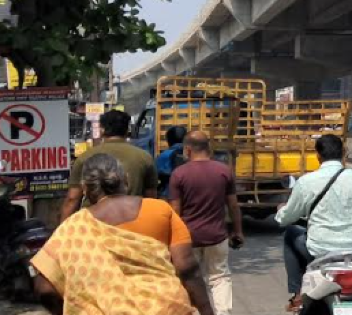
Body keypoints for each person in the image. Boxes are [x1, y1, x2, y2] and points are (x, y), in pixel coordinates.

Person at [32, 154, 215, 315]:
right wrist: (206, 310)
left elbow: (44, 288)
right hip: (166, 307)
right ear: (125, 180)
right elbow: (187, 268)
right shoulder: (160, 210)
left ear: (85, 189)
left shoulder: (72, 228)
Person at [274, 134, 352, 312]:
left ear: (317, 155)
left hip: (320, 251)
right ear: (344, 153)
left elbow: (286, 218)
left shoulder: (306, 182)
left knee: (291, 233)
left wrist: (280, 211)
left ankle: (296, 294)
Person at [170, 130, 244, 315]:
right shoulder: (223, 171)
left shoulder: (179, 174)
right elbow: (233, 206)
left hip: (187, 239)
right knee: (219, 277)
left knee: (188, 278)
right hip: (217, 237)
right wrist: (238, 231)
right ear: (208, 147)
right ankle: (223, 312)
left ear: (187, 150)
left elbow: (175, 213)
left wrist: (170, 241)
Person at [62, 109, 158, 221]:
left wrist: (62, 232)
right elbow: (151, 198)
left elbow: (72, 199)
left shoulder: (85, 157)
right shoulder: (144, 157)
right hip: (130, 222)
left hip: (94, 224)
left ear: (102, 130)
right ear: (127, 130)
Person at [157, 125, 188, 199]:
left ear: (169, 140)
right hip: (189, 194)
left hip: (168, 195)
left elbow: (155, 176)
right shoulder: (191, 153)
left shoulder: (163, 156)